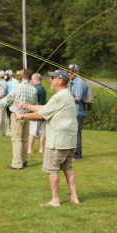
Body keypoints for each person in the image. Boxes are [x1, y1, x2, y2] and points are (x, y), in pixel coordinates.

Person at [15, 69, 79, 206]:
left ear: (60, 80)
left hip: (57, 141)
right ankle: (74, 197)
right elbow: (46, 108)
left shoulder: (58, 97)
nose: (50, 80)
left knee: (52, 169)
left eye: (53, 78)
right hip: (69, 141)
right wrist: (25, 106)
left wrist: (21, 115)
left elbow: (41, 115)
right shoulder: (67, 94)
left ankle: (55, 200)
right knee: (68, 168)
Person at [0, 68, 37, 169]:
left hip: (17, 116)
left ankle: (17, 164)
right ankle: (24, 161)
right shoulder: (34, 89)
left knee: (17, 140)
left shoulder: (18, 87)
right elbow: (34, 105)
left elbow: (6, 101)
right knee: (24, 140)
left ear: (22, 76)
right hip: (27, 117)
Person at [67, 64, 87, 159]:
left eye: (72, 71)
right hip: (73, 111)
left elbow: (78, 98)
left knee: (77, 133)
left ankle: (77, 154)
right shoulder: (71, 81)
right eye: (69, 71)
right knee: (73, 133)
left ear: (77, 72)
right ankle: (73, 152)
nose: (69, 73)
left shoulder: (79, 83)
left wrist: (68, 95)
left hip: (78, 112)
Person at [27, 73, 47, 153]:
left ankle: (29, 150)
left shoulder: (35, 89)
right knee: (41, 133)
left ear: (35, 79)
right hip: (43, 113)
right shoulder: (43, 88)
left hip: (35, 113)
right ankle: (41, 149)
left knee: (32, 133)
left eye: (32, 79)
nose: (31, 81)